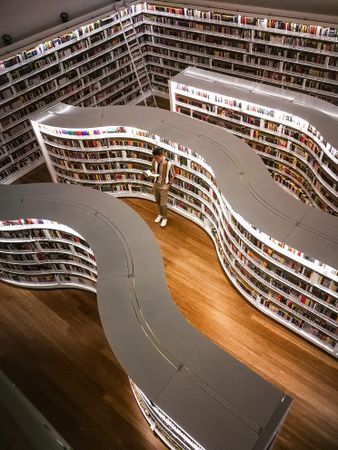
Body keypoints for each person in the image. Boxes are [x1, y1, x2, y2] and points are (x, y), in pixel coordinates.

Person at [151, 147, 176, 228]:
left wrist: (169, 185)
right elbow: (153, 170)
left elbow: (174, 174)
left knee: (163, 204)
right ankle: (160, 215)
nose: (156, 160)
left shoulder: (169, 163)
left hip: (164, 186)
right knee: (157, 201)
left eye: (157, 158)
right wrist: (151, 174)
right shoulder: (154, 161)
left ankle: (165, 218)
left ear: (162, 155)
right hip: (156, 184)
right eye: (154, 158)